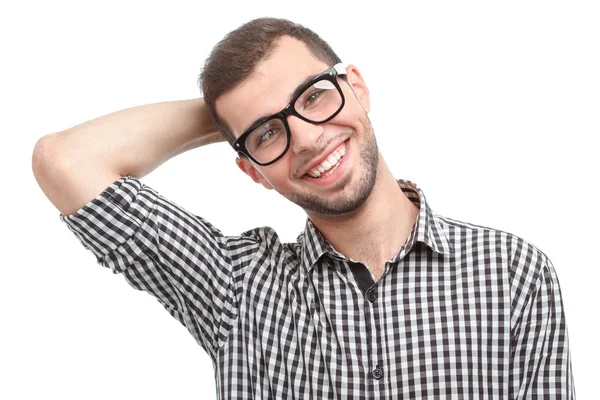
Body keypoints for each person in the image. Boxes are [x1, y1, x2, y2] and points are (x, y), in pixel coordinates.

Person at [32, 17, 575, 399]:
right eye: (271, 134)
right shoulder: (234, 287)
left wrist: (256, 115)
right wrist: (229, 117)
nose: (310, 140)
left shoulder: (512, 273)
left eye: (314, 96)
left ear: (356, 86)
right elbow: (66, 161)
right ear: (250, 170)